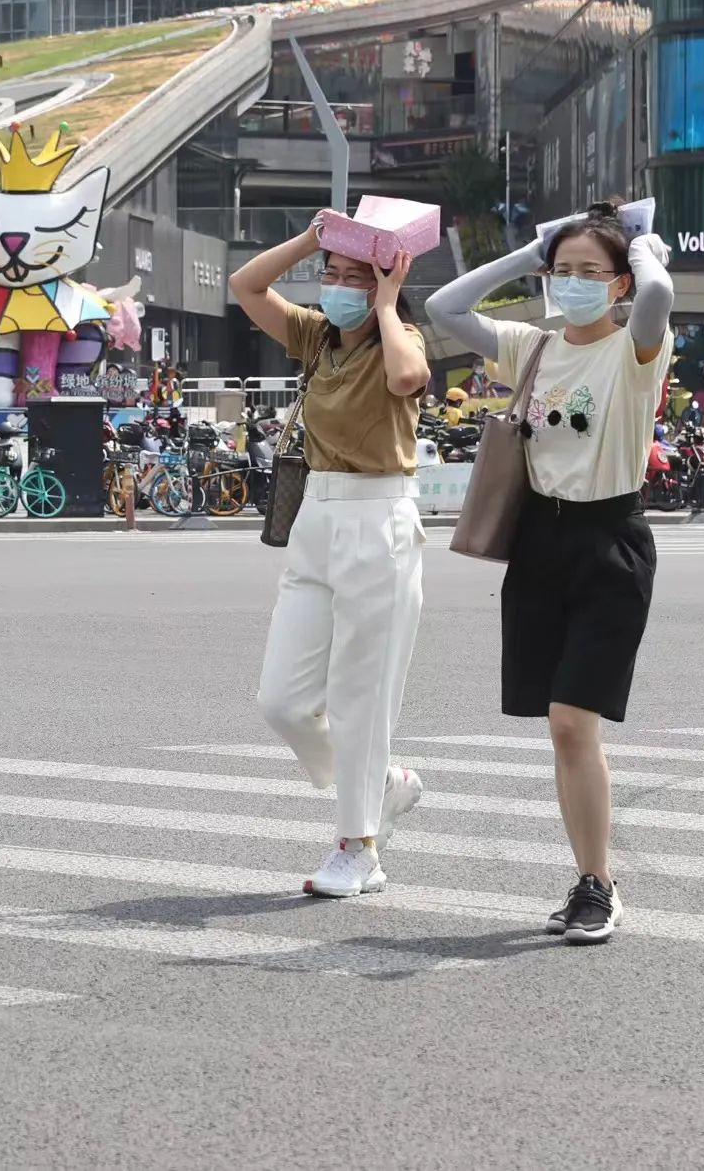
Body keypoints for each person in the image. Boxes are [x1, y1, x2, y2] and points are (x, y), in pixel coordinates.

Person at [426, 201, 673, 944]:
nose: (570, 284)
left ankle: (598, 884)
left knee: (574, 719)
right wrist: (529, 253)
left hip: (610, 542)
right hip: (539, 543)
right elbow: (443, 305)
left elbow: (659, 294)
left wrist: (646, 246)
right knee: (561, 732)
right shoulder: (528, 346)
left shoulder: (636, 345)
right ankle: (589, 878)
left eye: (586, 273)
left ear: (619, 282)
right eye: (560, 273)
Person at [228, 219, 431, 898]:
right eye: (333, 277)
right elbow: (245, 285)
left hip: (380, 516)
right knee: (282, 700)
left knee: (359, 700)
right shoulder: (315, 336)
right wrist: (313, 242)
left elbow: (408, 376)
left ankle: (359, 847)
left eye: (357, 277)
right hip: (317, 512)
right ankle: (379, 785)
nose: (340, 289)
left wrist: (385, 303)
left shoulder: (402, 339)